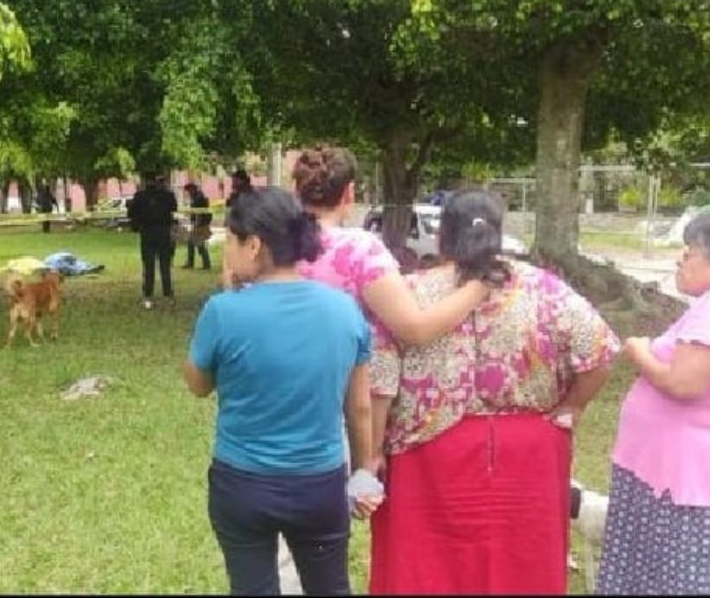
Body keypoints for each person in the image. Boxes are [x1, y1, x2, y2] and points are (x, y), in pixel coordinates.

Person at [367, 189, 617, 594]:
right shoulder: (544, 289)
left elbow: (380, 378)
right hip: (528, 453)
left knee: (424, 569)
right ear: (498, 233)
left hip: (427, 454)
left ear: (442, 236)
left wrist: (372, 450)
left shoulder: (411, 292)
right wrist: (574, 405)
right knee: (523, 568)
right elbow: (599, 349)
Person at [185, 187, 383, 596]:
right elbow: (360, 406)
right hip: (320, 484)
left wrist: (229, 301)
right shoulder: (345, 309)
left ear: (253, 244)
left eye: (232, 241)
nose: (229, 252)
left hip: (241, 485)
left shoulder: (223, 311)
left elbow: (198, 385)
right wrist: (364, 469)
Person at [596, 213, 710, 594]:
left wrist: (639, 351)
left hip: (685, 484)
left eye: (689, 254)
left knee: (677, 579)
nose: (679, 260)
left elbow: (685, 383)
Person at [291, 145, 490, 347]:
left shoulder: (275, 242)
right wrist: (479, 286)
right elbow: (415, 330)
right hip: (344, 374)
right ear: (349, 193)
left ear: (297, 191)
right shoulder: (359, 250)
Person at [127, 171, 178, 309]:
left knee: (148, 266)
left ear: (144, 181)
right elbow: (174, 207)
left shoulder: (140, 196)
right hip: (163, 232)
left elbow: (131, 213)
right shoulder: (167, 195)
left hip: (147, 233)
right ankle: (168, 295)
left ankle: (148, 296)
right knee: (165, 266)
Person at [181, 182, 212, 270]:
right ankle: (192, 263)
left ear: (192, 189)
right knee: (192, 243)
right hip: (200, 222)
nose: (188, 193)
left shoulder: (198, 198)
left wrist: (196, 225)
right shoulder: (197, 197)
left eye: (188, 190)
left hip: (200, 223)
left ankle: (205, 264)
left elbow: (199, 213)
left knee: (199, 244)